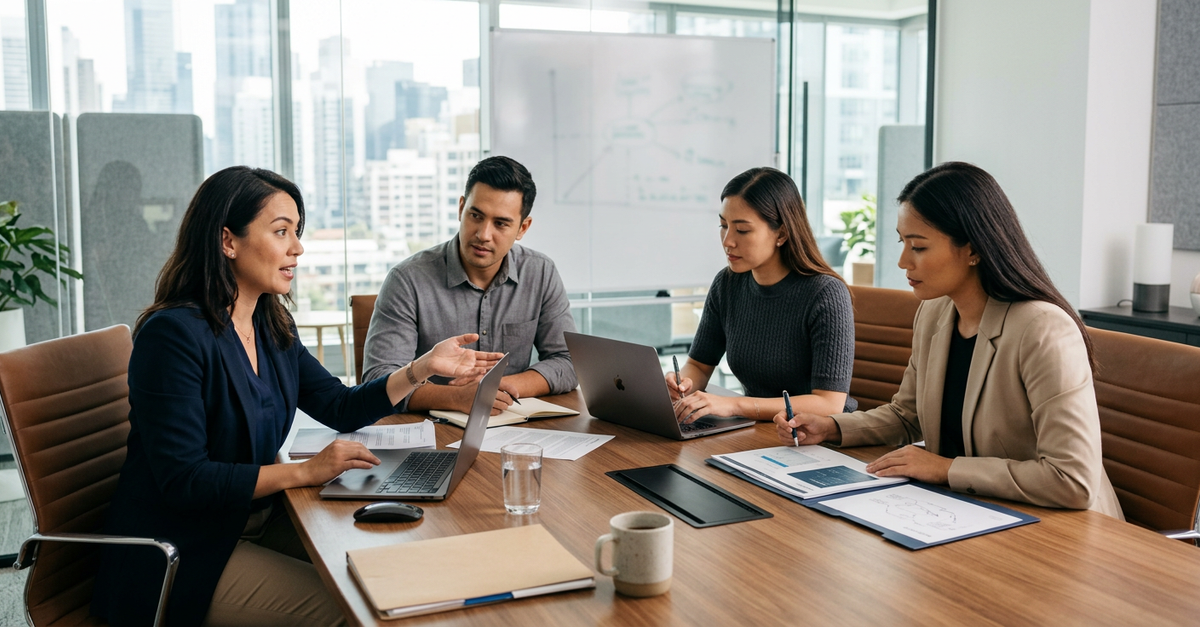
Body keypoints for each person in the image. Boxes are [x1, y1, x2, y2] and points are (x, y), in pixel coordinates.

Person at [90, 166, 503, 626]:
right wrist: (306, 472)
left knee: (396, 573)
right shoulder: (172, 337)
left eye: (297, 232)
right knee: (351, 613)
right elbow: (185, 480)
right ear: (228, 241)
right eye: (281, 231)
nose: (297, 248)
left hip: (255, 520)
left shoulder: (270, 325)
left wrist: (420, 368)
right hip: (184, 551)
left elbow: (339, 406)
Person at [774, 161, 1123, 518]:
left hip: (1063, 531)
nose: (902, 261)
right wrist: (831, 427)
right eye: (902, 242)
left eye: (919, 247)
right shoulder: (935, 313)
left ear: (973, 249)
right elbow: (906, 416)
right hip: (971, 512)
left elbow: (1072, 479)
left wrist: (944, 468)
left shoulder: (1043, 329)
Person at [362, 155, 577, 415]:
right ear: (461, 208)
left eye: (501, 223)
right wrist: (456, 397)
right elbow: (378, 381)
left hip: (511, 423)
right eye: (476, 215)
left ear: (523, 228)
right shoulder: (408, 279)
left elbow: (568, 363)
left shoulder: (540, 272)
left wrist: (496, 387)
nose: (483, 235)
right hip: (429, 432)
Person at [669, 167, 856, 424]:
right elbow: (700, 365)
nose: (727, 241)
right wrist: (683, 384)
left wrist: (735, 404)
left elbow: (829, 402)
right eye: (723, 225)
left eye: (742, 230)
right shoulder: (727, 284)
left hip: (816, 436)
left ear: (781, 233)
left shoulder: (825, 294)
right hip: (759, 431)